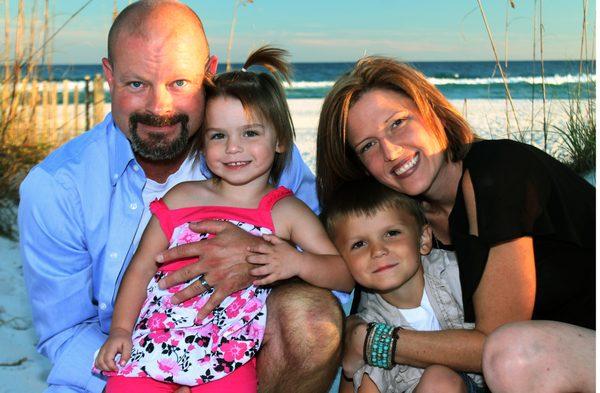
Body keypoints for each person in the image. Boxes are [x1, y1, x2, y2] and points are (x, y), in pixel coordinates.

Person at [18, 2, 343, 392]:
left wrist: (257, 256)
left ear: (208, 74)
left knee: (312, 318)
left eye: (179, 83)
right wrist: (158, 369)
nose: (159, 108)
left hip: (237, 353)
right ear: (109, 76)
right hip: (125, 359)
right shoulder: (57, 187)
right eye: (136, 84)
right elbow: (64, 333)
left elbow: (333, 276)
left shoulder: (261, 161)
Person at [315, 56, 595, 392]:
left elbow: (492, 344)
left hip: (572, 353)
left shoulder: (498, 171)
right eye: (368, 146)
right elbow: (358, 339)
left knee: (511, 352)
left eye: (397, 123)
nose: (390, 152)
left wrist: (375, 341)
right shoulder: (402, 223)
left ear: (430, 110)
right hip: (539, 371)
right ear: (361, 168)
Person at [93, 46, 354, 392]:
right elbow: (140, 267)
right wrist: (121, 331)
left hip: (229, 353)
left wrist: (295, 263)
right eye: (218, 135)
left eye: (250, 133)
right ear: (202, 143)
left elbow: (344, 274)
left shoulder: (285, 210)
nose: (233, 148)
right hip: (153, 338)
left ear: (280, 140)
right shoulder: (181, 197)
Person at [322, 178, 484, 393]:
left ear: (423, 239)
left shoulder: (458, 273)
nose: (377, 250)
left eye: (391, 233)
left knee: (439, 380)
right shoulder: (368, 324)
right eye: (359, 244)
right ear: (343, 262)